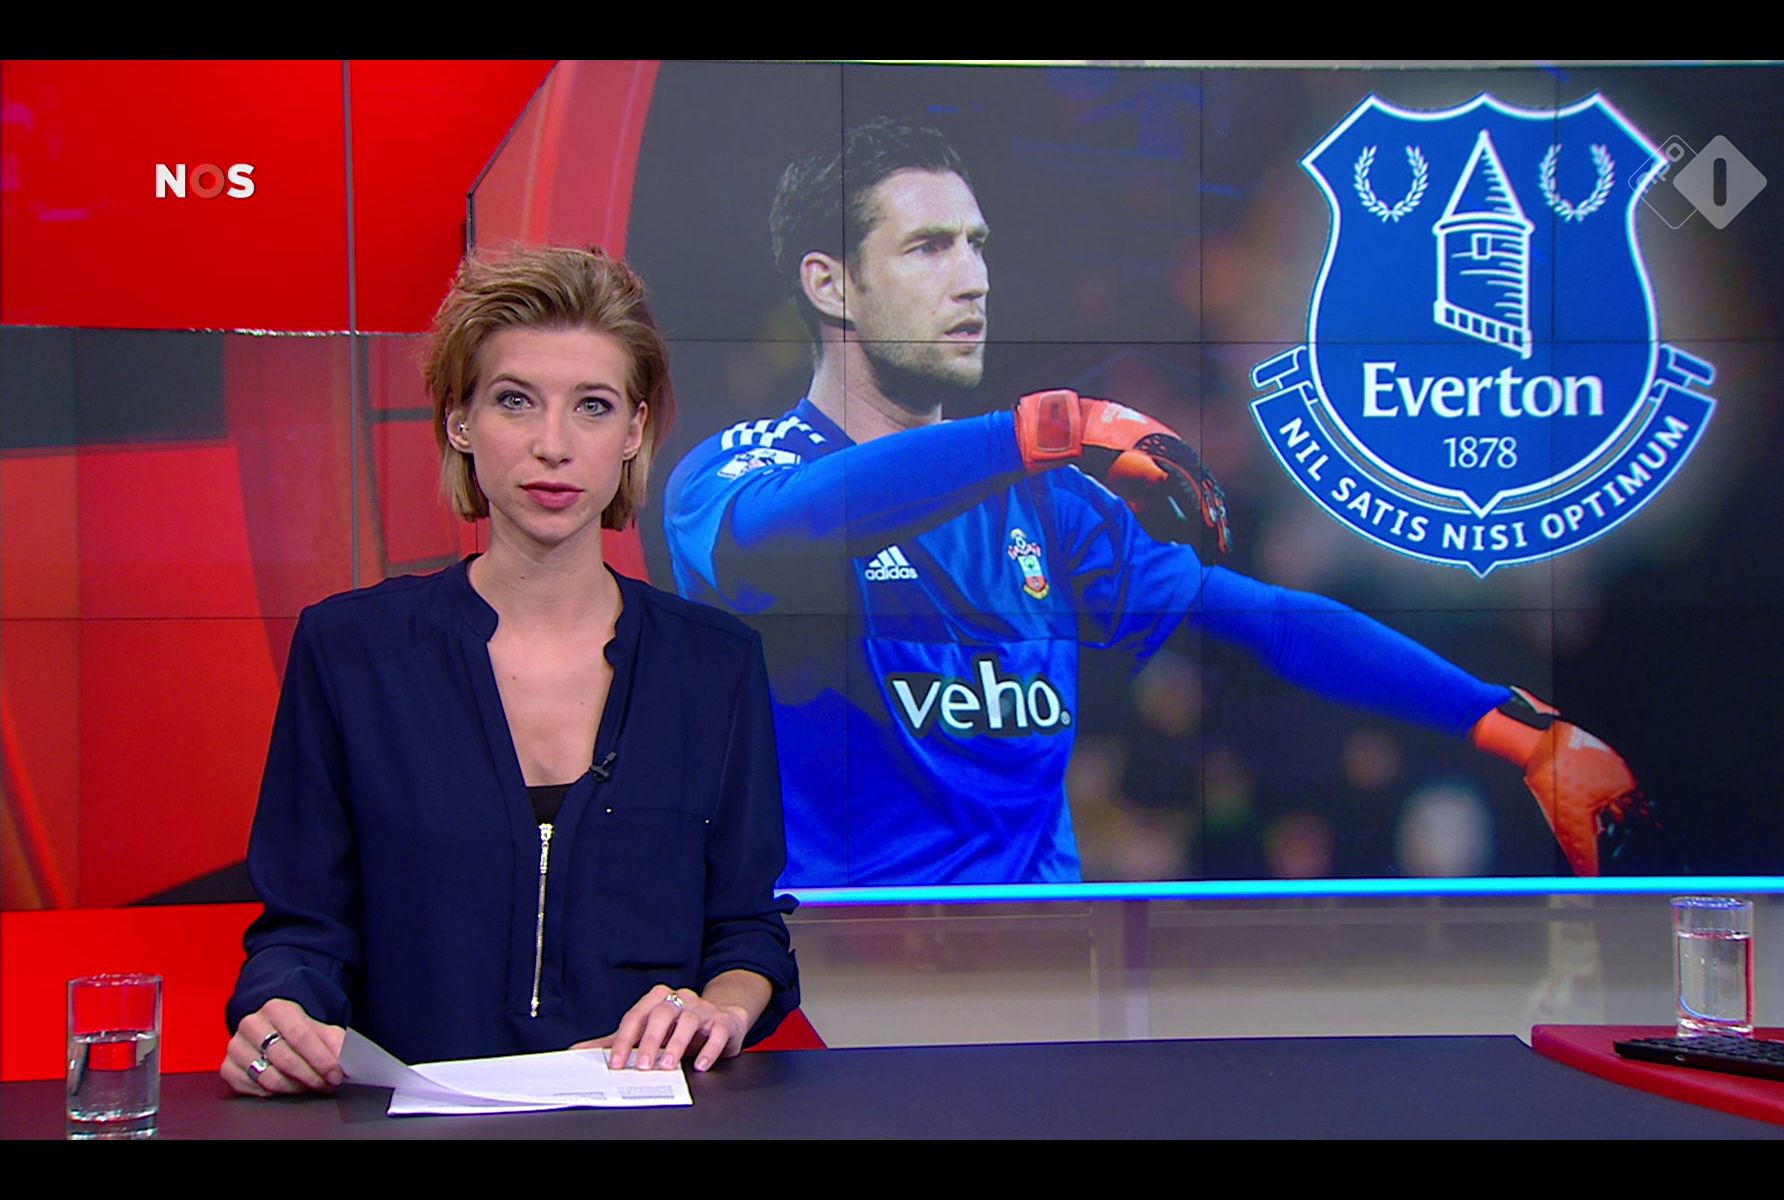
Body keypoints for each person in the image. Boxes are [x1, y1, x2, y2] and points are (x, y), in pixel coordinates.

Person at [663, 118, 1650, 887]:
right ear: (831, 285)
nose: (972, 280)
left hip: (1044, 966)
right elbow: (784, 532)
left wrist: (1522, 733)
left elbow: (1271, 622)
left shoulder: (1047, 502)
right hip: (841, 975)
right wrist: (1043, 429)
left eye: (977, 244)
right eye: (927, 248)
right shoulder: (738, 474)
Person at [222, 246, 799, 1097]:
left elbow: (747, 930)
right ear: (461, 421)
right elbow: (303, 931)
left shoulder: (714, 662)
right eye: (515, 400)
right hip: (410, 1112)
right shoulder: (351, 651)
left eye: (593, 407)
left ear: (633, 432)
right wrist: (278, 1018)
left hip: (639, 1113)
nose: (552, 445)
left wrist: (717, 1009)